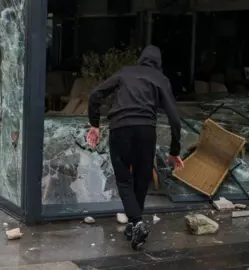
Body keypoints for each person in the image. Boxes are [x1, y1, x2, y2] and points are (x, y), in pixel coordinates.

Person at [86, 45, 184, 250]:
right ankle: (134, 223)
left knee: (123, 179)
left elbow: (95, 94)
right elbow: (175, 119)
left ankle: (135, 222)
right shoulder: (160, 79)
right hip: (146, 131)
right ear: (159, 63)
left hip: (120, 129)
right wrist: (175, 150)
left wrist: (94, 124)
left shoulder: (125, 72)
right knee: (142, 178)